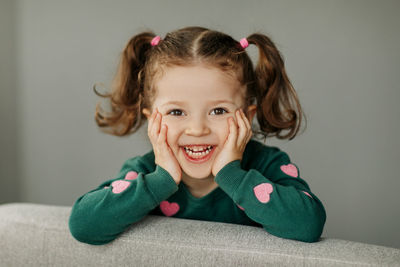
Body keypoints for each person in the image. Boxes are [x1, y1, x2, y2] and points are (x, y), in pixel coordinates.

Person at [69, 26, 326, 245]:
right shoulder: (146, 173)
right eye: (177, 111)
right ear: (150, 119)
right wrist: (162, 180)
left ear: (247, 117)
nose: (197, 129)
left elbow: (308, 225)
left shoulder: (266, 165)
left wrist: (233, 176)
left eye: (218, 110)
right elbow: (83, 224)